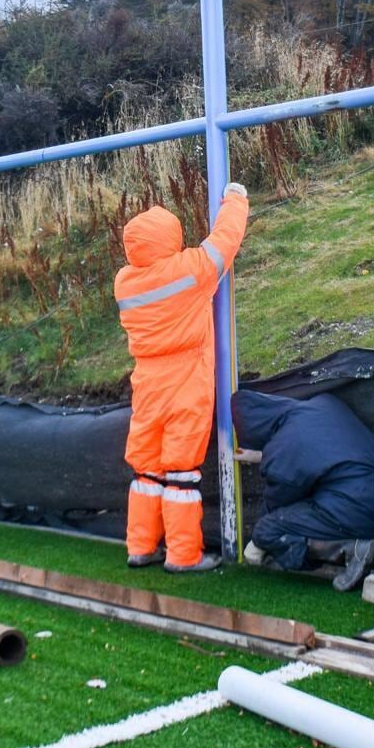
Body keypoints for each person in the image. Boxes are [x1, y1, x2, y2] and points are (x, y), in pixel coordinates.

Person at [115, 183, 249, 573]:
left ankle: (140, 547)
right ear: (169, 239)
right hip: (187, 381)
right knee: (181, 473)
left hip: (147, 384)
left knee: (146, 470)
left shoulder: (124, 282)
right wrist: (235, 198)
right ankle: (183, 555)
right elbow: (225, 242)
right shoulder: (189, 271)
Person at [232, 389, 374, 591]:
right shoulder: (324, 403)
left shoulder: (284, 450)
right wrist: (264, 455)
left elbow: (277, 505)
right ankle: (353, 545)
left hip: (363, 509)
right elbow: (322, 449)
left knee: (268, 530)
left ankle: (351, 549)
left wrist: (258, 541)